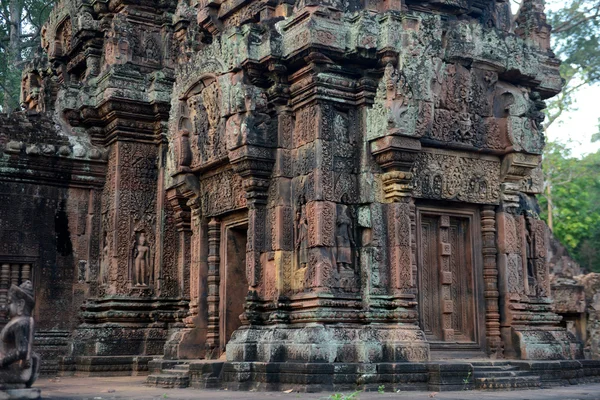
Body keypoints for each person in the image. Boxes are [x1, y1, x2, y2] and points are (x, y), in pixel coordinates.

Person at [0, 280, 39, 388]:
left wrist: (2, 361)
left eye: (9, 302)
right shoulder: (19, 322)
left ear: (20, 304)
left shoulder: (21, 323)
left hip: (17, 371)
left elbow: (22, 351)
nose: (7, 307)